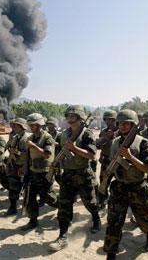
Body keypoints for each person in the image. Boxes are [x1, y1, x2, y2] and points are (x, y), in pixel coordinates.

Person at [103, 109, 148, 259]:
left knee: (144, 218)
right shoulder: (114, 142)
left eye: (128, 124)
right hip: (119, 187)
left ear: (134, 125)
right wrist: (105, 183)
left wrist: (131, 157)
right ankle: (111, 253)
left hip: (138, 187)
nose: (124, 126)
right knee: (114, 222)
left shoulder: (143, 142)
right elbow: (110, 165)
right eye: (121, 123)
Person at [49, 105, 100, 252]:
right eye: (68, 116)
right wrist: (56, 164)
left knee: (90, 202)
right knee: (64, 205)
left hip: (83, 173)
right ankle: (62, 236)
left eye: (72, 116)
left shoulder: (87, 133)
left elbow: (91, 155)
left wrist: (75, 149)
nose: (69, 119)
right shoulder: (63, 134)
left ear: (79, 118)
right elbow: (59, 153)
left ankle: (96, 218)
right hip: (68, 174)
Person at [21, 113, 58, 230]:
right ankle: (33, 221)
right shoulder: (30, 138)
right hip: (33, 172)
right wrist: (25, 170)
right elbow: (28, 156)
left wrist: (34, 146)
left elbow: (47, 155)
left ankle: (63, 207)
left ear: (39, 124)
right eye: (30, 124)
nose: (31, 127)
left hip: (45, 173)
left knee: (48, 197)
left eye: (33, 124)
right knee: (31, 198)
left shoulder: (47, 138)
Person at [96, 110, 118, 210]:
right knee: (104, 181)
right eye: (106, 120)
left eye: (110, 120)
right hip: (106, 160)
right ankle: (102, 200)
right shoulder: (104, 131)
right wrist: (106, 137)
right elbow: (98, 145)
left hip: (118, 161)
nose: (108, 122)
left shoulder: (121, 131)